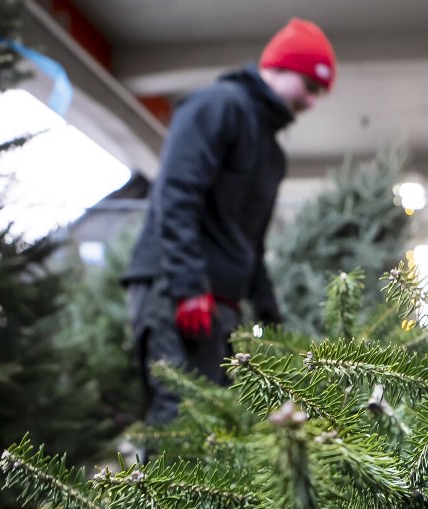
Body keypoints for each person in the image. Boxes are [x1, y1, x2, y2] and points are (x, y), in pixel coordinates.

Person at [122, 17, 336, 431]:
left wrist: (275, 326)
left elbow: (250, 246)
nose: (311, 103)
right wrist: (188, 287)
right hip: (176, 289)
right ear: (277, 68)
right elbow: (176, 193)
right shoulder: (218, 105)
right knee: (180, 416)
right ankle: (153, 498)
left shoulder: (272, 156)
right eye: (309, 87)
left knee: (217, 423)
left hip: (218, 303)